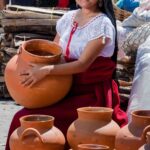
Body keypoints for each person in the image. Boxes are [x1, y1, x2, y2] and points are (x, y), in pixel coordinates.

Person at [5, 0, 128, 149]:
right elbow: (54, 53)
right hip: (61, 89)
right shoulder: (68, 18)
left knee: (28, 122)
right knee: (22, 117)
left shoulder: (103, 24)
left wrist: (45, 71)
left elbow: (83, 65)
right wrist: (28, 52)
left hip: (89, 94)